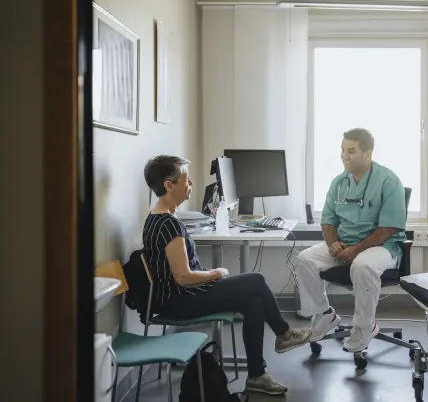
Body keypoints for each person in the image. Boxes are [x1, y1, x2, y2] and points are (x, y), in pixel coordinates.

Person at [142, 155, 311, 395]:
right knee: (256, 280)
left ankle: (256, 375)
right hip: (179, 300)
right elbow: (183, 277)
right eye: (185, 179)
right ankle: (284, 333)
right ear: (169, 185)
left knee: (252, 301)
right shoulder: (168, 225)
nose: (190, 184)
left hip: (180, 296)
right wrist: (216, 273)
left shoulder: (158, 219)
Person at [296, 128, 407, 353]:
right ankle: (324, 314)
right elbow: (327, 222)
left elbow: (387, 229)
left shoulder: (389, 181)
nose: (344, 156)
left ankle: (365, 327)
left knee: (363, 265)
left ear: (368, 154)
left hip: (382, 246)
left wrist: (355, 250)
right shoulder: (339, 183)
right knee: (305, 259)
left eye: (351, 151)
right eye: (343, 150)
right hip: (346, 245)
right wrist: (333, 243)